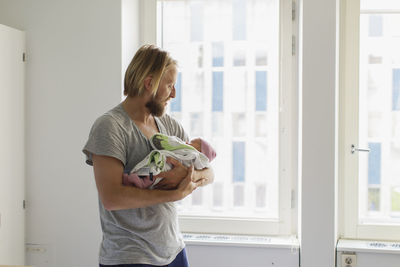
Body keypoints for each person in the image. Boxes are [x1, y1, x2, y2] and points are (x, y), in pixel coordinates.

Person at [82, 44, 214, 267]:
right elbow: (111, 198)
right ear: (149, 83)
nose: (174, 94)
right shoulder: (110, 127)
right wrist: (174, 194)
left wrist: (187, 176)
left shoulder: (170, 126)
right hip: (129, 257)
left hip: (173, 251)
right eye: (170, 85)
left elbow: (208, 172)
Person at [123, 133, 217, 189]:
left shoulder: (174, 126)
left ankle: (140, 182)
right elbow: (112, 198)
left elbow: (211, 175)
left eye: (192, 143)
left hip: (167, 221)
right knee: (153, 169)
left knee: (156, 173)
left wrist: (188, 175)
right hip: (129, 221)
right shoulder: (115, 127)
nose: (187, 142)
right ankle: (137, 178)